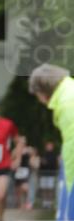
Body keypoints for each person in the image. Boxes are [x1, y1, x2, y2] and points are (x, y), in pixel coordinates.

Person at [28, 64, 73, 197]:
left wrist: (70, 187)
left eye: (37, 95)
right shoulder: (69, 89)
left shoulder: (66, 103)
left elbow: (72, 147)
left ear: (42, 91)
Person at [11, 136, 35, 210]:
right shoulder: (15, 150)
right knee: (18, 189)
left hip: (25, 170)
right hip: (18, 171)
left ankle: (27, 202)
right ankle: (20, 204)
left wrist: (32, 163)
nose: (23, 142)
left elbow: (32, 157)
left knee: (25, 187)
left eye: (24, 141)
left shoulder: (29, 149)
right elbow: (12, 159)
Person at [39, 140, 61, 208]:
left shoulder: (54, 155)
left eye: (50, 146)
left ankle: (50, 202)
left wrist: (47, 163)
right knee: (44, 188)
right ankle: (44, 202)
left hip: (51, 175)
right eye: (48, 146)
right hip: (43, 174)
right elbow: (41, 164)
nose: (49, 147)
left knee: (50, 189)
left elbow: (54, 165)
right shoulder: (43, 154)